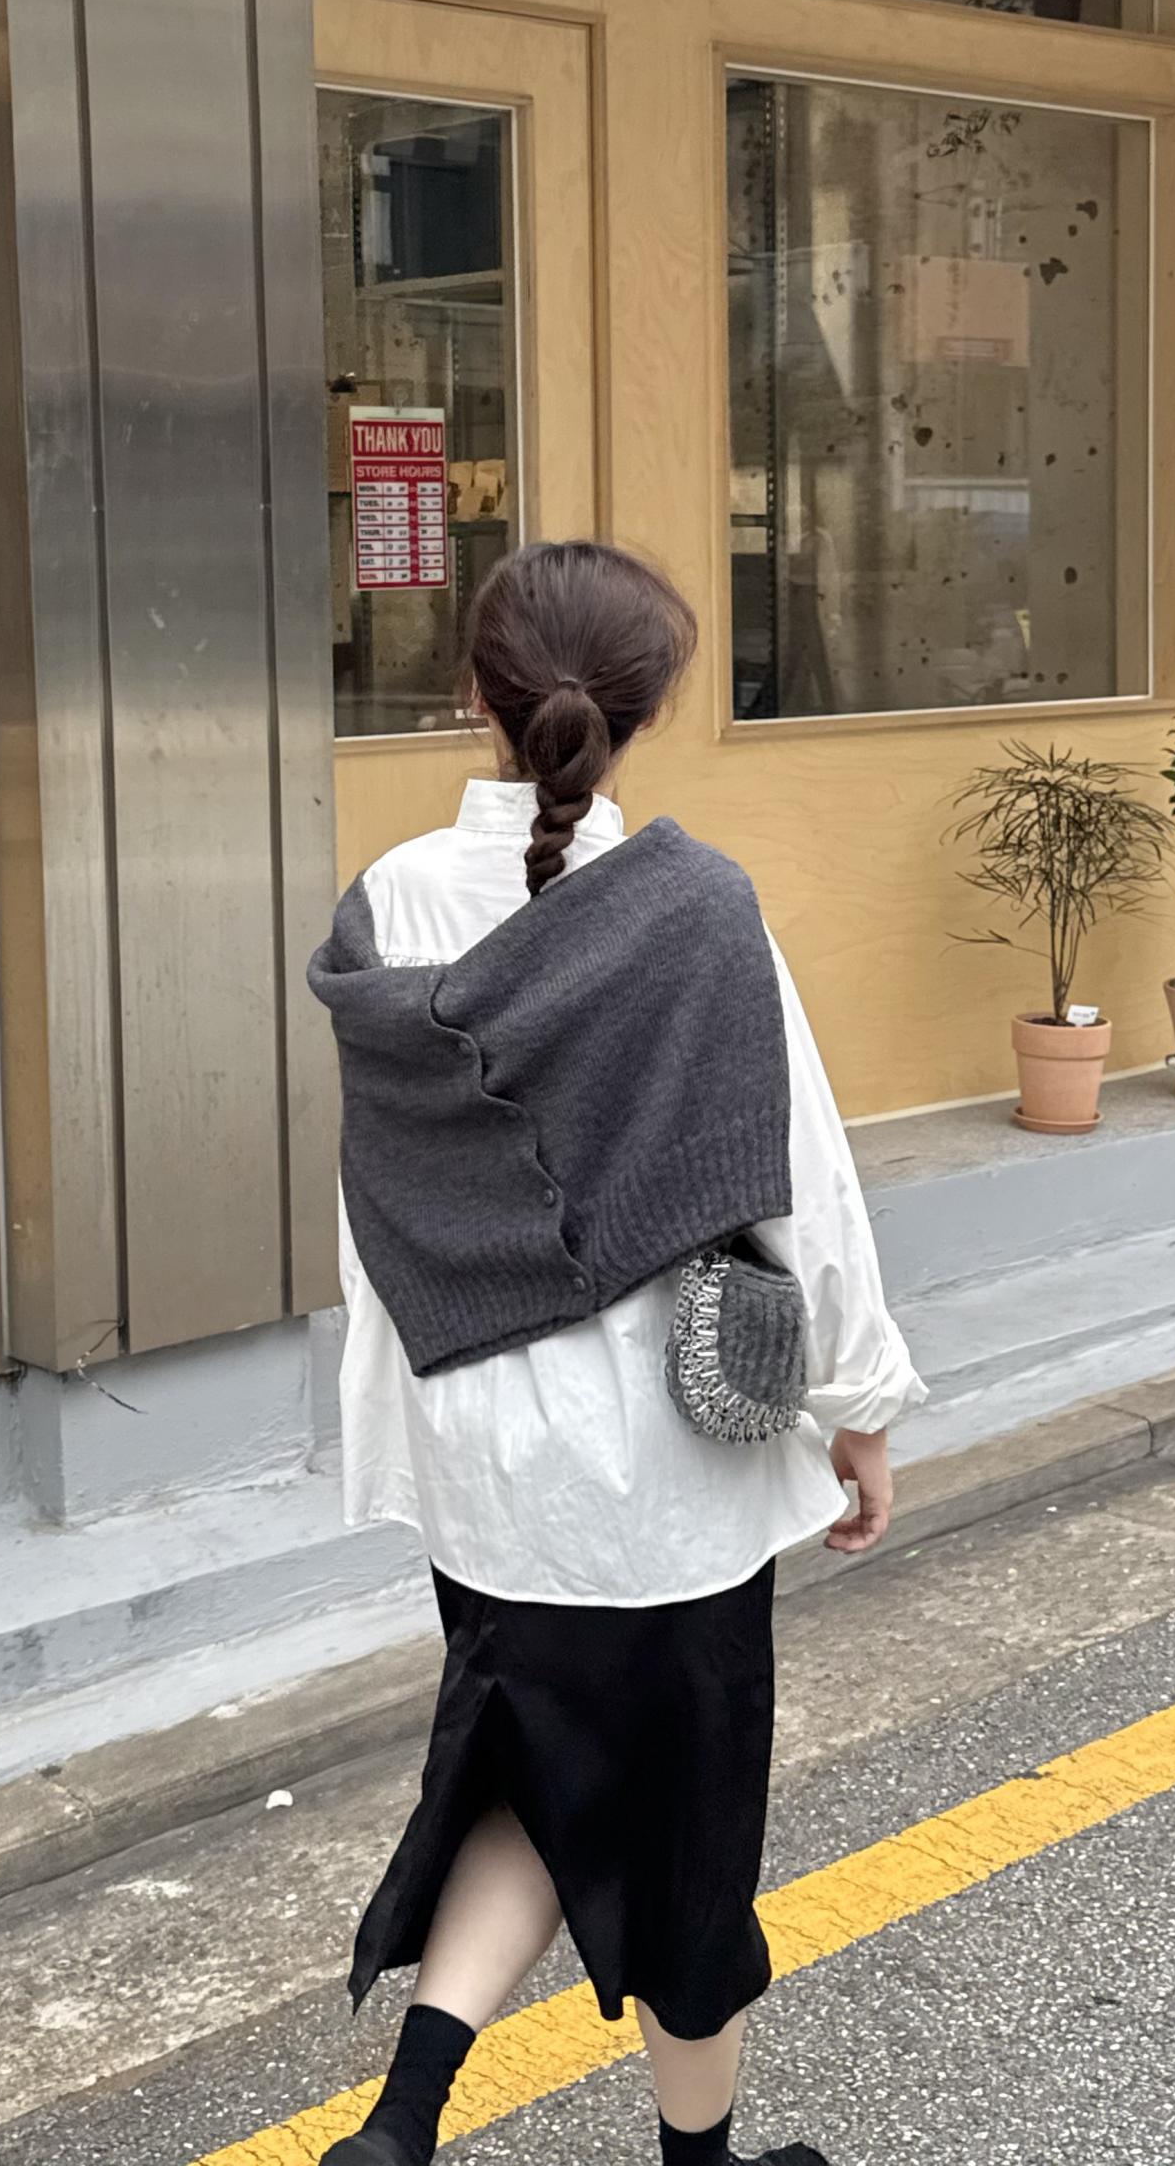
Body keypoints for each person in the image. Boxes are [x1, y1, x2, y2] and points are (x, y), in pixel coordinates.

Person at [307, 540, 924, 2166]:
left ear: (473, 689)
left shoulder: (388, 904)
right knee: (686, 1844)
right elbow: (800, 1184)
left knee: (529, 1765)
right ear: (647, 709)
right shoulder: (694, 911)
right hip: (665, 1473)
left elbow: (384, 1206)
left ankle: (402, 2124)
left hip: (483, 1456)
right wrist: (860, 1409)